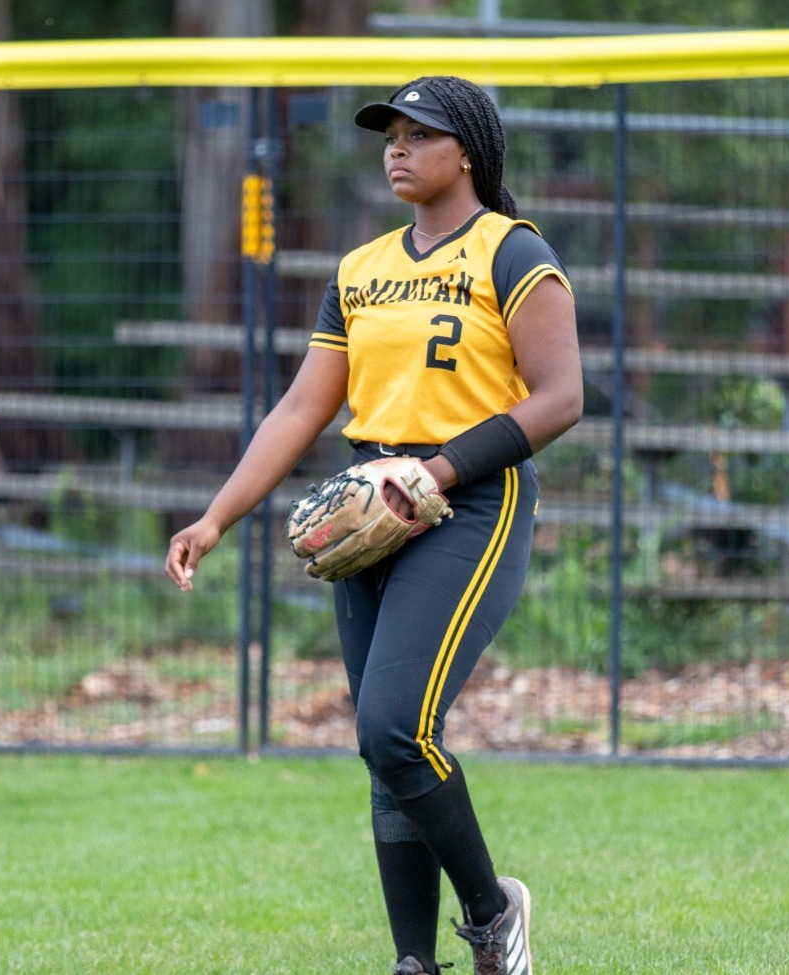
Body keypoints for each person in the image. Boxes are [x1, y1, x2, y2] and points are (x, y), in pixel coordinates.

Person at [165, 75, 582, 975]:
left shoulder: (513, 253)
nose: (395, 146)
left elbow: (561, 400)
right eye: (388, 133)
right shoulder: (359, 269)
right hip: (371, 500)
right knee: (380, 747)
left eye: (417, 132)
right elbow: (299, 410)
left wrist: (437, 469)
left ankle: (492, 911)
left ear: (465, 149)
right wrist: (217, 515)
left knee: (396, 724)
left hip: (470, 497)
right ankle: (412, 962)